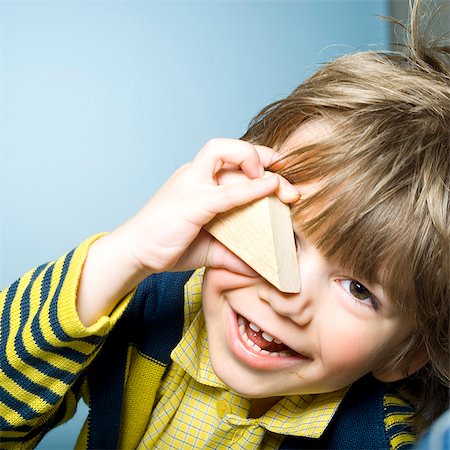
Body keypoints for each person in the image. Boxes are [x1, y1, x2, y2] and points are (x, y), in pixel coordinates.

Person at [1, 0, 449, 448]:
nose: (286, 296)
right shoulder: (151, 303)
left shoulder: (379, 440)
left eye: (359, 289)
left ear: (406, 355)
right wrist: (125, 255)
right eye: (285, 234)